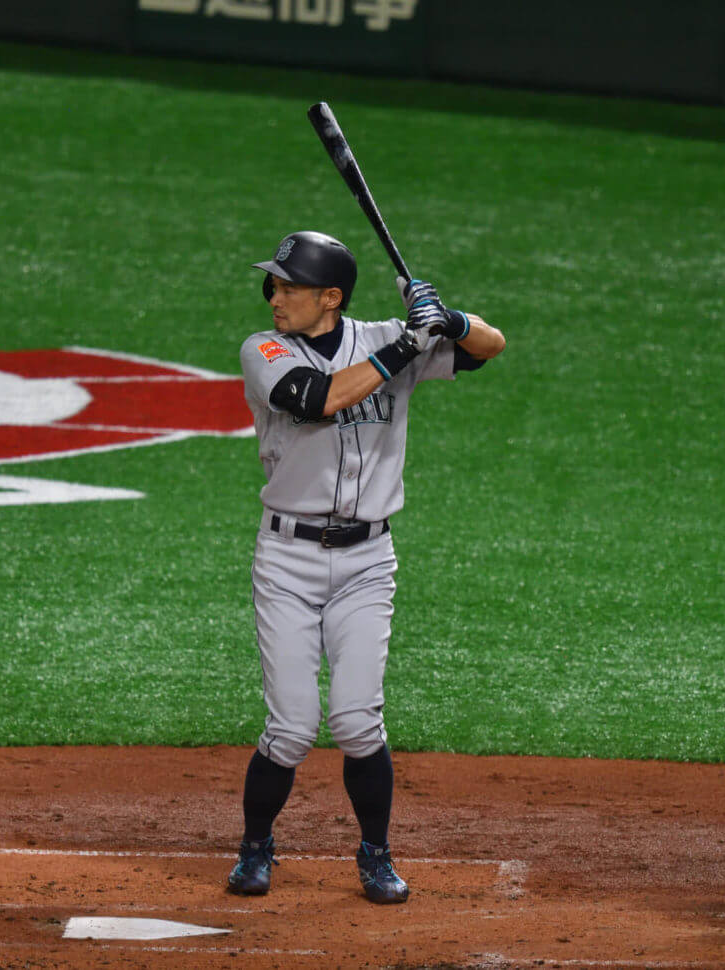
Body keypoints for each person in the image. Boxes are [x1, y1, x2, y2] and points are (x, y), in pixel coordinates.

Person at [227, 230, 505, 904]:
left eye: (288, 285)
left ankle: (375, 855)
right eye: (273, 283)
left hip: (367, 561)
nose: (274, 296)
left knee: (356, 720)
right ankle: (256, 847)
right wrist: (408, 345)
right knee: (292, 728)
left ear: (331, 297)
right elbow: (315, 397)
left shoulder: (384, 334)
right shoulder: (264, 351)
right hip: (287, 560)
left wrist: (452, 321)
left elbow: (490, 347)